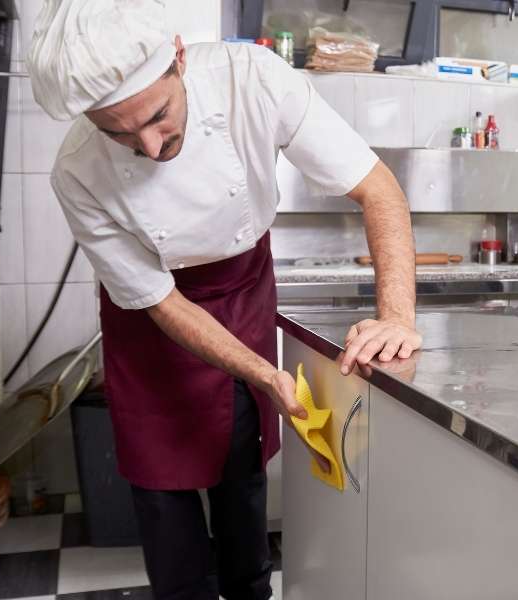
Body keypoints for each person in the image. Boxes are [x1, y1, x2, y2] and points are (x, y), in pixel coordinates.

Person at [25, 1, 421, 598]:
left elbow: (377, 188)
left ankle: (250, 589)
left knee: (242, 464)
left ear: (179, 57)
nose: (152, 147)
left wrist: (396, 316)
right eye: (119, 133)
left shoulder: (253, 80)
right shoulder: (76, 173)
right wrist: (265, 371)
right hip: (153, 322)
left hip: (242, 288)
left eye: (158, 115)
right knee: (162, 492)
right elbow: (160, 303)